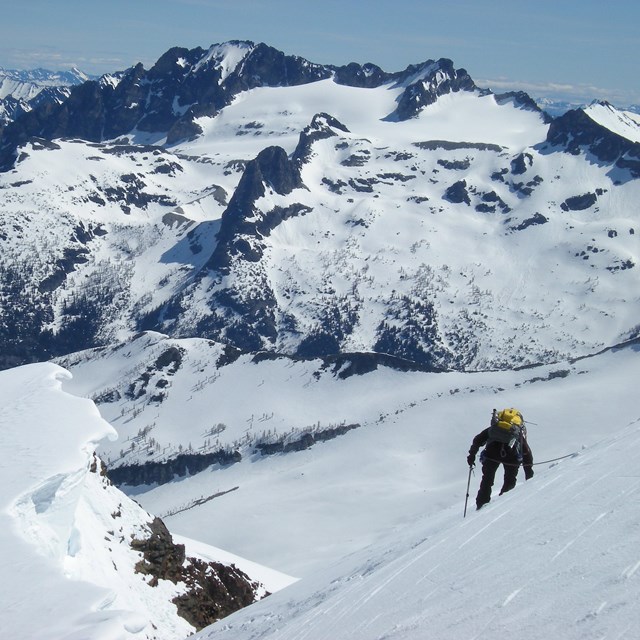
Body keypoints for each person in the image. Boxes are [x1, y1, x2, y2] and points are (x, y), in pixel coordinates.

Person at [467, 408, 534, 510]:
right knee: (510, 480)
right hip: (511, 457)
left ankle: (481, 504)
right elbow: (526, 452)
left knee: (487, 480)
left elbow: (478, 440)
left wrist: (471, 456)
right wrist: (529, 474)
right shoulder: (516, 432)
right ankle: (503, 503)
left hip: (491, 455)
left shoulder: (494, 429)